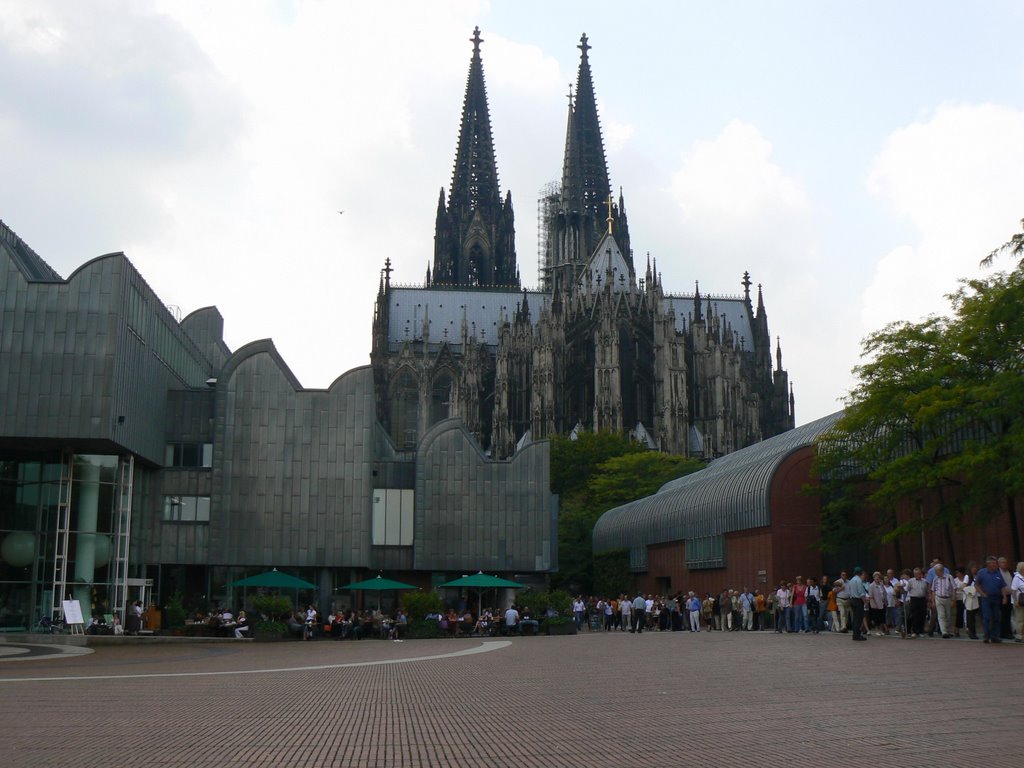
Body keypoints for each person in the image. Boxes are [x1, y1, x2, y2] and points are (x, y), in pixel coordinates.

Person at [974, 555, 1006, 644]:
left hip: (996, 598)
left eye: (995, 563)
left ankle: (994, 636)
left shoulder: (998, 573)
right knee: (987, 617)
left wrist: (1004, 597)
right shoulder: (982, 572)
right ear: (988, 564)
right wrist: (982, 594)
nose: (995, 564)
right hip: (986, 598)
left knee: (996, 617)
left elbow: (1002, 586)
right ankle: (986, 636)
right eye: (993, 563)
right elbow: (976, 585)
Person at [929, 563, 957, 638]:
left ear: (941, 571)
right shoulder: (935, 579)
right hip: (938, 598)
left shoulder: (949, 577)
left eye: (936, 571)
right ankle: (944, 632)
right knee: (941, 616)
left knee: (948, 615)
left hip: (947, 598)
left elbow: (954, 588)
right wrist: (933, 601)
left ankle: (946, 630)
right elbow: (933, 590)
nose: (935, 573)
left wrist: (953, 599)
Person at [905, 568, 928, 638]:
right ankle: (914, 631)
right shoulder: (911, 581)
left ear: (921, 574)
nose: (917, 575)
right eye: (916, 574)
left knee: (922, 615)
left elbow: (927, 590)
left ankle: (920, 631)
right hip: (914, 599)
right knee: (914, 615)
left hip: (922, 599)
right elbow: (907, 590)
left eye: (918, 574)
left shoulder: (925, 581)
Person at [847, 567, 868, 641]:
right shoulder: (858, 580)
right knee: (858, 618)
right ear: (861, 573)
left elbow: (849, 591)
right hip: (858, 600)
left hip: (852, 600)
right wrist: (865, 602)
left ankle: (855, 634)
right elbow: (861, 593)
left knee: (855, 618)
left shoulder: (851, 580)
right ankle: (857, 635)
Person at [1011, 562, 1024, 643]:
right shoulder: (1017, 577)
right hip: (1019, 601)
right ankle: (1019, 635)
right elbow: (1013, 590)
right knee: (1019, 619)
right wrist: (1015, 601)